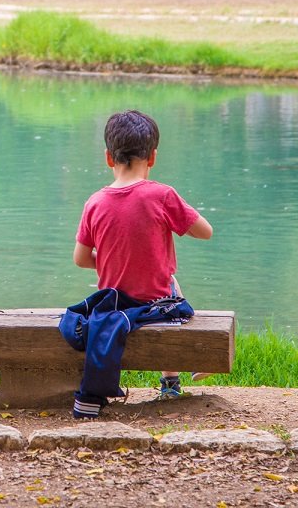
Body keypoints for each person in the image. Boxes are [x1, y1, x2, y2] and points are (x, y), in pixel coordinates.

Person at [72, 109, 213, 403]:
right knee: (170, 282)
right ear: (153, 158)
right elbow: (205, 232)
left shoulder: (94, 203)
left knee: (166, 282)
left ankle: (171, 380)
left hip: (113, 304)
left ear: (108, 157)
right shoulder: (162, 195)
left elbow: (81, 258)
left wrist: (113, 260)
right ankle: (171, 381)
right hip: (156, 303)